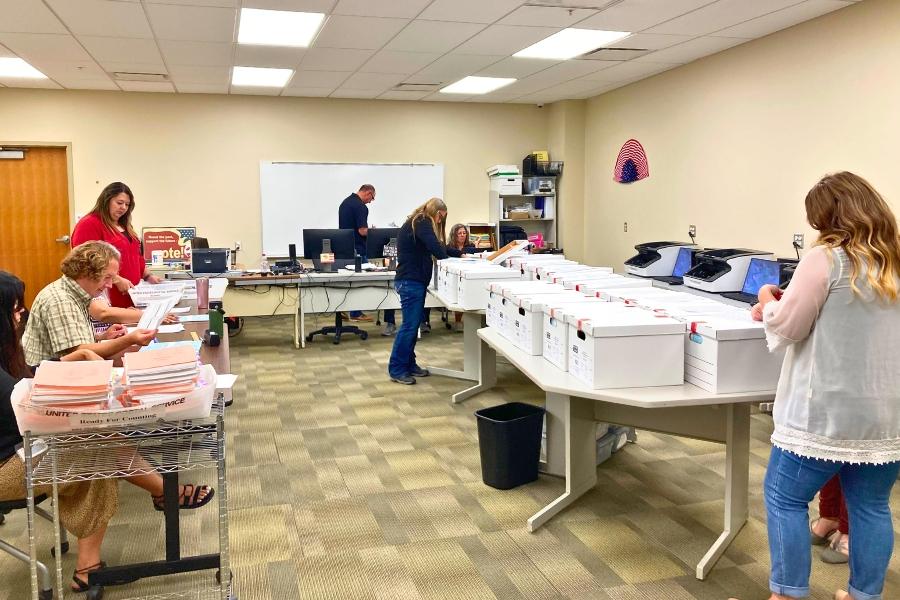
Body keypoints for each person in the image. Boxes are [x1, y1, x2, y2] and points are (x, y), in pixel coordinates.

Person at [733, 172, 900, 600]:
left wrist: (768, 302)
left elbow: (791, 326)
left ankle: (787, 593)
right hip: (886, 416)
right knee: (871, 507)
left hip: (824, 412)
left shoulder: (825, 258)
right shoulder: (894, 261)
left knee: (783, 497)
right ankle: (864, 595)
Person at [0, 271, 118, 593]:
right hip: (5, 466)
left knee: (96, 440)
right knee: (99, 450)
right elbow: (23, 407)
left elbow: (26, 382)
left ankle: (163, 491)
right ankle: (88, 568)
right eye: (14, 308)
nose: (21, 315)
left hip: (17, 450)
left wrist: (69, 361)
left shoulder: (6, 349)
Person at [22, 241, 157, 366]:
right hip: (47, 376)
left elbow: (77, 345)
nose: (110, 285)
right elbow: (79, 354)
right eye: (107, 277)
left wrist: (101, 337)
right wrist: (130, 339)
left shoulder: (75, 293)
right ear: (86, 272)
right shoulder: (61, 300)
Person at [388, 198, 463, 385]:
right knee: (409, 326)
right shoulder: (423, 221)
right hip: (410, 281)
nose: (440, 222)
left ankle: (409, 364)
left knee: (412, 327)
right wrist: (449, 258)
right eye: (441, 218)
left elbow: (439, 247)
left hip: (414, 281)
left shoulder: (417, 221)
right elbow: (436, 248)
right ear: (437, 213)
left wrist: (461, 254)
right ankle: (397, 369)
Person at [72, 182, 161, 309]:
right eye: (119, 203)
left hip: (131, 295)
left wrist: (148, 275)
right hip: (107, 296)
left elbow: (135, 256)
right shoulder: (90, 223)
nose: (123, 208)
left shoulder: (124, 225)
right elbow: (85, 262)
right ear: (106, 200)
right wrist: (116, 279)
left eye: (127, 204)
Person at [337, 184, 397, 334]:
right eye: (372, 198)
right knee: (363, 282)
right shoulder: (361, 206)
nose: (371, 201)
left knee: (349, 281)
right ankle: (356, 313)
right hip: (358, 249)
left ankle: (344, 309)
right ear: (368, 193)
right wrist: (374, 231)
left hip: (345, 247)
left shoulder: (345, 202)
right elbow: (362, 231)